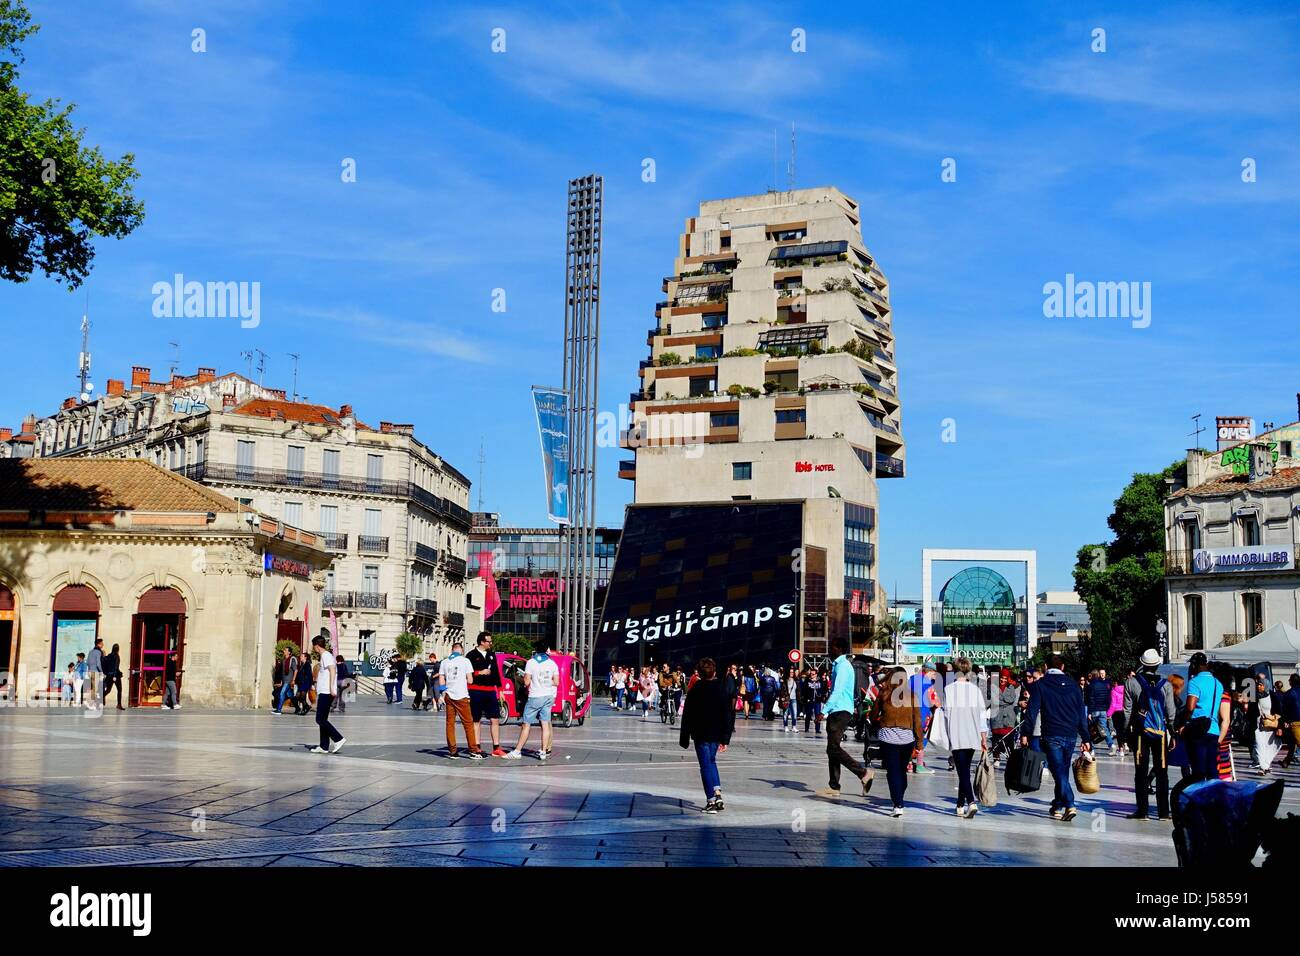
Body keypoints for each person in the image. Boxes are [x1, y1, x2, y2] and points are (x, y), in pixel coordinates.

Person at [1022, 654, 1092, 822]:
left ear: (1046, 667)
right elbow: (1080, 714)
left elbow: (1032, 712)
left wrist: (1025, 733)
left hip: (1051, 733)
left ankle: (1070, 803)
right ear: (1062, 668)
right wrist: (1086, 738)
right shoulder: (1074, 686)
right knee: (1062, 771)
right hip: (1070, 734)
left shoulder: (1040, 685)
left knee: (1058, 771)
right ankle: (1057, 806)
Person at [1124, 649, 1177, 820]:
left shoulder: (1131, 683)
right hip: (1160, 732)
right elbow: (1171, 712)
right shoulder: (1166, 685)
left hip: (1140, 732)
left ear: (1142, 663)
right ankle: (1163, 811)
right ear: (1157, 665)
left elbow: (1127, 711)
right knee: (1162, 772)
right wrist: (1172, 733)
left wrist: (1124, 732)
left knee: (1141, 771)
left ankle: (1143, 810)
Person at [819, 637, 874, 799]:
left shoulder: (843, 666)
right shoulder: (839, 665)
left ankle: (863, 773)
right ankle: (834, 786)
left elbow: (837, 690)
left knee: (833, 749)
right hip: (839, 710)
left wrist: (824, 710)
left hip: (840, 711)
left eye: (833, 647)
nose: (830, 650)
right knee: (832, 749)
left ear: (840, 649)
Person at [679, 658, 733, 813]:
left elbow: (687, 715)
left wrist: (685, 736)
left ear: (699, 673)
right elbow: (727, 715)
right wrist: (725, 738)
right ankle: (718, 794)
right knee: (712, 761)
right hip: (716, 733)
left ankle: (711, 801)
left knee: (705, 766)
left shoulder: (695, 690)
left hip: (701, 734)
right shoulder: (721, 689)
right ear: (714, 672)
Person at [870, 667, 924, 817]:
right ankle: (898, 797)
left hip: (888, 738)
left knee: (893, 772)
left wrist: (877, 720)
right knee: (900, 771)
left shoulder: (884, 694)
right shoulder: (912, 696)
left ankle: (898, 803)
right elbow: (917, 721)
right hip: (907, 739)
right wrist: (919, 743)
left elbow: (873, 715)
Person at [944, 657, 989, 818]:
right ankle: (959, 805)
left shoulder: (949, 690)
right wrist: (984, 737)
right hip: (973, 733)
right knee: (965, 770)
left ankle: (971, 802)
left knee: (962, 771)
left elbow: (946, 715)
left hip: (956, 733)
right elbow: (982, 716)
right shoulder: (975, 690)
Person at [506, 640, 559, 760]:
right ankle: (543, 752)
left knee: (526, 724)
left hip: (535, 696)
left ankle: (517, 751)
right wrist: (546, 682)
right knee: (545, 724)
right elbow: (556, 682)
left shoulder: (531, 663)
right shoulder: (552, 664)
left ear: (536, 650)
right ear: (546, 650)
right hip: (548, 696)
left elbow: (526, 681)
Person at [1182, 652, 1224, 782]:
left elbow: (1190, 707)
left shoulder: (1195, 682)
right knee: (1212, 768)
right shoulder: (1218, 683)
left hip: (1198, 729)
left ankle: (1198, 798)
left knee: (1198, 769)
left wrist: (1183, 723)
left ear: (1195, 665)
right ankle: (1214, 797)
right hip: (1214, 729)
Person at [466, 632, 506, 757]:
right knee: (476, 719)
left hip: (490, 691)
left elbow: (496, 674)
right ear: (482, 642)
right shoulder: (471, 655)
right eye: (489, 641)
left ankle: (496, 747)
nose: (491, 643)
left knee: (495, 718)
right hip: (476, 690)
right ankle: (476, 746)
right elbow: (467, 674)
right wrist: (479, 673)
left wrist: (500, 690)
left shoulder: (491, 655)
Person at [439, 642, 482, 758]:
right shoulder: (466, 661)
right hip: (462, 696)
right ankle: (473, 750)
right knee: (468, 723)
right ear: (461, 651)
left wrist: (442, 692)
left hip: (449, 695)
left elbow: (441, 679)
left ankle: (453, 751)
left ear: (452, 650)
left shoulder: (444, 662)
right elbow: (470, 680)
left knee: (450, 724)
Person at [308, 636, 345, 754]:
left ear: (316, 646)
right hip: (324, 691)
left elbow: (333, 670)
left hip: (326, 692)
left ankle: (338, 739)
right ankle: (324, 746)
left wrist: (331, 688)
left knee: (320, 719)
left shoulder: (326, 655)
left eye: (313, 646)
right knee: (323, 719)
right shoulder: (325, 656)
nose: (313, 649)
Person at [908, 662, 938, 773]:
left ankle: (909, 764)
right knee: (921, 739)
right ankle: (920, 765)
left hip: (909, 713)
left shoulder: (911, 679)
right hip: (923, 714)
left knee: (910, 739)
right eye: (934, 673)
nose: (934, 676)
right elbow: (934, 701)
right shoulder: (928, 683)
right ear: (929, 671)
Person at [1086, 668, 1114, 752]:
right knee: (1104, 728)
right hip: (1103, 710)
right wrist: (1106, 708)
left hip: (1095, 709)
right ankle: (1111, 744)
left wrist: (1089, 712)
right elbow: (1108, 697)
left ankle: (1091, 748)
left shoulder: (1091, 685)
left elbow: (1091, 699)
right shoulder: (1105, 684)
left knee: (1088, 728)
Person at [1280, 673, 1300, 768]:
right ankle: (1286, 761)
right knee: (1292, 742)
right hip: (1295, 720)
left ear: (1291, 682)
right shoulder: (1290, 693)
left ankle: (1286, 761)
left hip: (1295, 721)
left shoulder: (1289, 693)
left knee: (1297, 741)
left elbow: (1285, 709)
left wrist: (1285, 721)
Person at [1110, 670, 1130, 755]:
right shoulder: (1126, 691)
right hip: (1125, 711)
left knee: (1119, 731)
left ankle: (1121, 749)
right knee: (1125, 729)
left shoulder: (1114, 691)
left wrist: (1108, 713)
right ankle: (1126, 745)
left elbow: (1113, 704)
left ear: (1116, 682)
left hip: (1116, 713)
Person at [102, 643, 124, 710]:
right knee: (119, 690)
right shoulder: (117, 656)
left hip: (109, 675)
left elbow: (105, 664)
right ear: (118, 649)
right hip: (115, 676)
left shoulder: (109, 655)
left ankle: (101, 697)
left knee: (108, 690)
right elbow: (116, 667)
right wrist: (115, 676)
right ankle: (119, 704)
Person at [85, 638, 104, 710]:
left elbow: (87, 662)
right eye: (102, 643)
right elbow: (98, 664)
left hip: (90, 671)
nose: (103, 645)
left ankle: (91, 703)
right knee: (95, 689)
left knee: (93, 688)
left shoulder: (90, 651)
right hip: (95, 672)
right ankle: (89, 702)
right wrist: (101, 672)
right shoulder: (98, 652)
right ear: (98, 644)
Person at [277, 648, 297, 715]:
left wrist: (293, 680)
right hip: (284, 680)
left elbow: (295, 670)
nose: (284, 651)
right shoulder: (284, 660)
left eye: (285, 650)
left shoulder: (292, 659)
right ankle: (298, 708)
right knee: (290, 695)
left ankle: (278, 710)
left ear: (289, 652)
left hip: (288, 680)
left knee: (282, 693)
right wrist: (281, 682)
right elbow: (283, 673)